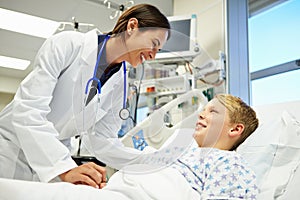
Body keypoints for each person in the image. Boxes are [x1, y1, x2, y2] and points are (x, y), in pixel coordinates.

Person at [0, 3, 170, 189]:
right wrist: (64, 169)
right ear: (131, 27)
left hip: (54, 156)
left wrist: (148, 161)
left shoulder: (119, 83)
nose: (153, 55)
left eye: (158, 50)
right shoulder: (67, 45)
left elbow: (102, 140)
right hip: (10, 148)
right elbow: (28, 111)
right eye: (154, 44)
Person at [168, 93, 260, 199]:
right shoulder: (185, 152)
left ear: (235, 129)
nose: (200, 115)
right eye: (204, 110)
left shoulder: (229, 161)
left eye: (213, 111)